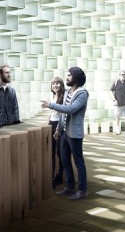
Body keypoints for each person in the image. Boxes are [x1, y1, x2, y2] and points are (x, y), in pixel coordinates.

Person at [41, 66, 89, 200]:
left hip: (74, 134)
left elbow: (71, 109)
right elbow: (63, 113)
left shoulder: (82, 93)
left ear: (76, 78)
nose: (66, 77)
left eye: (69, 76)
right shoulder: (67, 92)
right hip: (63, 132)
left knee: (78, 162)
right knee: (64, 159)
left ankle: (82, 190)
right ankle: (69, 187)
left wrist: (51, 105)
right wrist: (58, 129)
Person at [48, 76, 66, 188]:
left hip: (59, 126)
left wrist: (58, 129)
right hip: (51, 124)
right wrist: (48, 124)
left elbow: (63, 114)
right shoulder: (52, 95)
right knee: (51, 152)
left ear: (61, 84)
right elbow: (51, 113)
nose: (55, 85)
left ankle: (60, 176)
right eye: (53, 83)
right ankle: (52, 176)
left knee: (60, 152)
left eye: (58, 83)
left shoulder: (64, 96)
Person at [110, 69, 125, 140]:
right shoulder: (116, 82)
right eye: (122, 74)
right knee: (117, 117)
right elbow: (111, 91)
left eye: (124, 74)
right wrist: (114, 99)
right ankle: (117, 128)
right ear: (119, 75)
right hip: (118, 104)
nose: (123, 76)